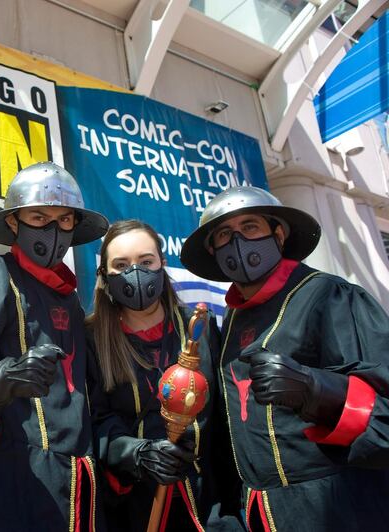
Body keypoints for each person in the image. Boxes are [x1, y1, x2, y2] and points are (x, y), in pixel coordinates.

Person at [180, 186, 389, 531]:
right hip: (260, 517)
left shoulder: (330, 295)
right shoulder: (229, 324)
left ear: (278, 234)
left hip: (341, 510)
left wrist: (317, 390)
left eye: (250, 227)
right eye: (224, 235)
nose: (238, 242)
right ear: (213, 251)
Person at [0, 162, 109, 531]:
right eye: (39, 217)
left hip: (76, 487)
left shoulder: (71, 300)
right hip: (10, 482)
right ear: (14, 222)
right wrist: (4, 375)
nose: (53, 230)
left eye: (64, 220)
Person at [86, 220, 223, 531]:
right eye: (121, 265)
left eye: (146, 261)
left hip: (207, 505)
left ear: (162, 263)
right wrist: (136, 453)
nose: (135, 272)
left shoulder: (200, 328)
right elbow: (92, 420)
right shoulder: (91, 339)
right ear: (105, 276)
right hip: (135, 508)